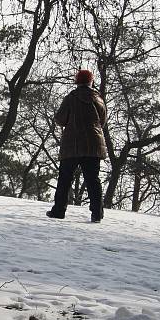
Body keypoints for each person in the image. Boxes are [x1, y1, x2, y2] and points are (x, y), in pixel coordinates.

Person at [47, 69, 108, 223]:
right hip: (93, 144)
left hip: (72, 145)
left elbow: (60, 119)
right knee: (93, 180)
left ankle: (59, 211)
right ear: (91, 82)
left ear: (77, 82)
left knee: (65, 178)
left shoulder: (70, 98)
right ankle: (97, 214)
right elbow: (102, 121)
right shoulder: (98, 99)